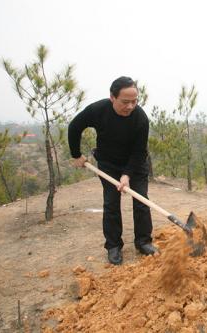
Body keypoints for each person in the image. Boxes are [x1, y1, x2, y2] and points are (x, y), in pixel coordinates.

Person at [68, 76, 157, 265]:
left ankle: (143, 242)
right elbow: (75, 127)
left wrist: (127, 175)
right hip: (108, 164)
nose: (131, 106)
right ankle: (114, 246)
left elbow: (139, 152)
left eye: (135, 101)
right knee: (111, 204)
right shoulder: (98, 110)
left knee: (141, 201)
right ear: (112, 98)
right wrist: (76, 154)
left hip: (136, 163)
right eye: (125, 102)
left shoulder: (140, 118)